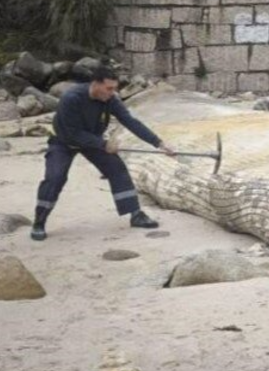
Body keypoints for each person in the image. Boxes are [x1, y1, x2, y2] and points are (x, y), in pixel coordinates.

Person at [31, 67, 175, 241]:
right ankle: (39, 221)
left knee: (117, 169)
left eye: (114, 88)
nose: (112, 92)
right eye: (109, 88)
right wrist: (103, 144)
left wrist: (158, 143)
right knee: (55, 177)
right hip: (64, 142)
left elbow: (130, 121)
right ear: (96, 84)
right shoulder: (71, 98)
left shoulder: (109, 99)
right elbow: (72, 133)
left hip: (92, 140)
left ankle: (136, 214)